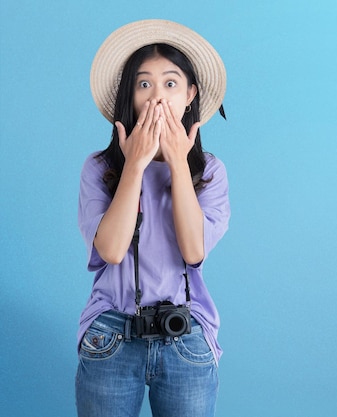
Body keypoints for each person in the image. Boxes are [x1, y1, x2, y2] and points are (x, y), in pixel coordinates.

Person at [75, 20, 230, 417]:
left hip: (186, 336)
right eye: (144, 84)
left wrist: (178, 161)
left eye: (171, 84)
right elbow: (110, 249)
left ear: (191, 94)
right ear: (130, 95)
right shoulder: (98, 167)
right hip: (111, 334)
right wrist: (135, 165)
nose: (157, 98)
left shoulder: (210, 172)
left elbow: (194, 251)